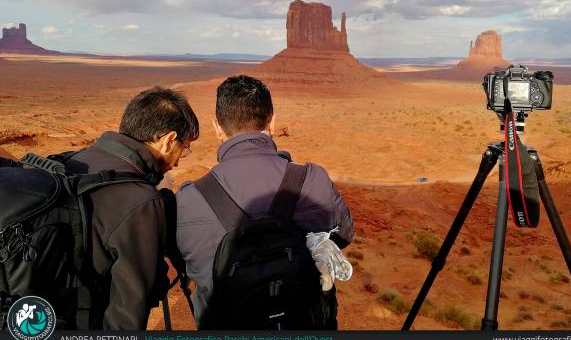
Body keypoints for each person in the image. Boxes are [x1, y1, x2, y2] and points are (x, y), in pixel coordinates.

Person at [176, 75, 354, 328]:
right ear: (272, 122)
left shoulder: (189, 200)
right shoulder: (312, 180)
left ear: (217, 127)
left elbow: (186, 262)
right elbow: (345, 234)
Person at [63, 86, 199, 329]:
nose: (178, 161)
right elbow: (127, 314)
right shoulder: (142, 202)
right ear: (168, 141)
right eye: (184, 148)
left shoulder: (71, 161)